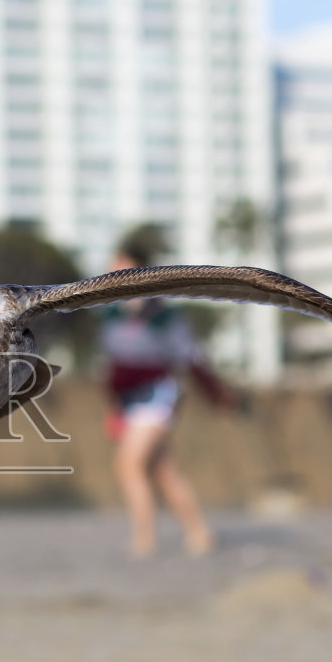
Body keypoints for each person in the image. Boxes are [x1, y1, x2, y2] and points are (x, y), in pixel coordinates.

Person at [100, 239, 229, 558]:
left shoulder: (162, 314)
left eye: (120, 265)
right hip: (128, 402)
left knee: (129, 465)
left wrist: (216, 394)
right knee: (162, 469)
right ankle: (199, 532)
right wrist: (115, 408)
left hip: (156, 395)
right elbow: (113, 365)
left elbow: (190, 357)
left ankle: (144, 539)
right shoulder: (110, 315)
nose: (112, 271)